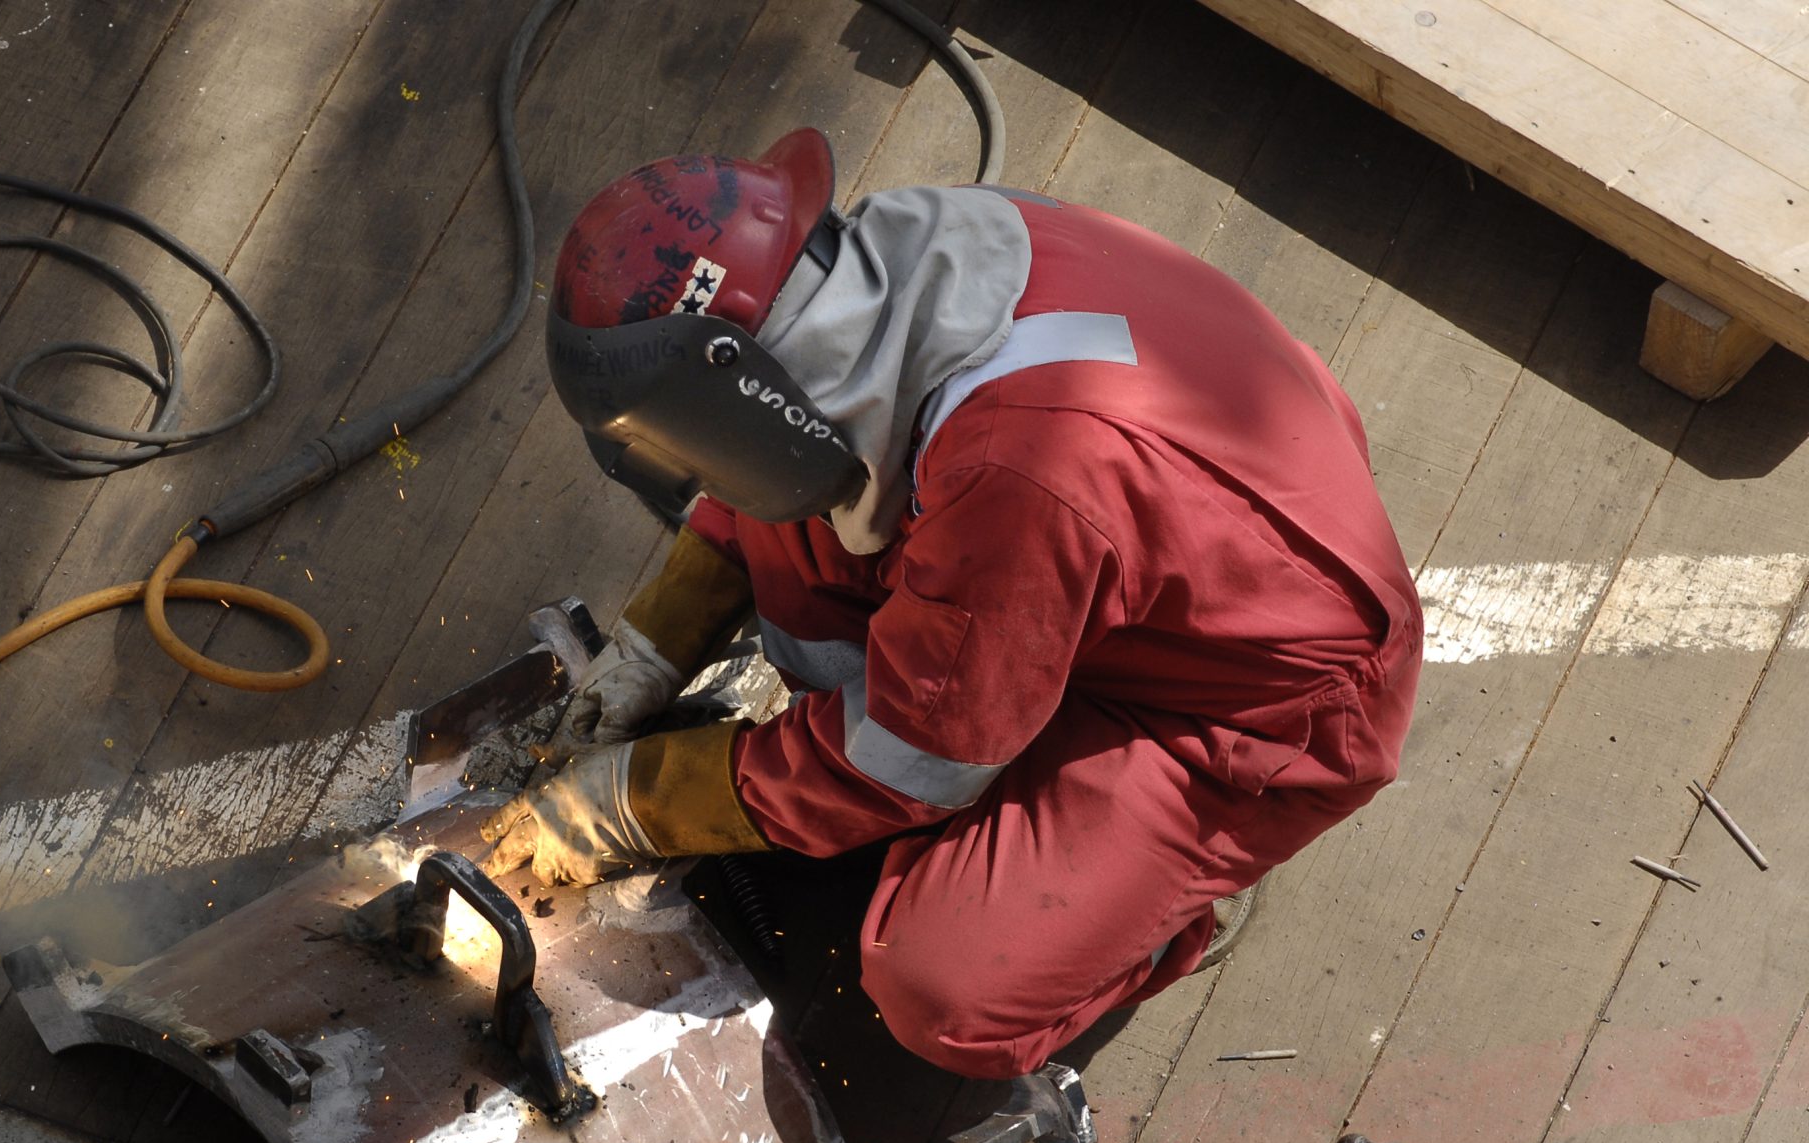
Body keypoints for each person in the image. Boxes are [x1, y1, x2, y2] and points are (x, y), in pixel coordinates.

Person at [483, 129, 1421, 1081]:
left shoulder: (1021, 479)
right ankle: (997, 755)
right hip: (1178, 519)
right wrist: (654, 641)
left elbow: (902, 759)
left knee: (944, 990)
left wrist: (629, 806)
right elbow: (768, 455)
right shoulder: (877, 276)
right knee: (804, 525)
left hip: (1250, 710)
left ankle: (1151, 914)